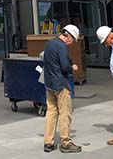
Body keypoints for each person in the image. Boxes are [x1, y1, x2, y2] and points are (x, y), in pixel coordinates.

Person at [42, 24, 82, 154]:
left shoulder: (50, 43)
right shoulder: (62, 46)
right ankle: (66, 143)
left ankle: (48, 142)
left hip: (49, 83)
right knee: (65, 113)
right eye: (73, 39)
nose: (72, 43)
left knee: (51, 112)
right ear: (68, 36)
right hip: (61, 84)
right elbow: (65, 67)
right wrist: (72, 67)